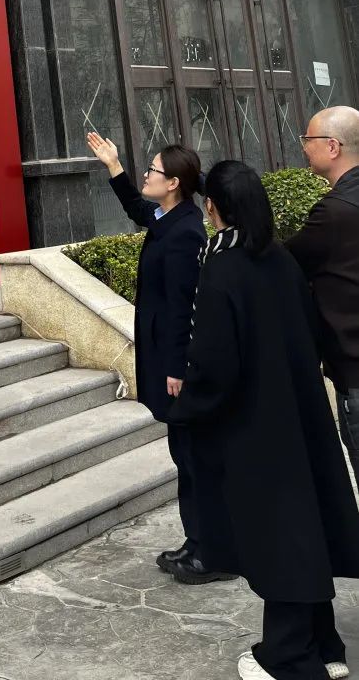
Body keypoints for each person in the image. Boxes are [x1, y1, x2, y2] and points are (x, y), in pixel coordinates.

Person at [169, 160, 359, 680]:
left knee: (279, 538)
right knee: (304, 528)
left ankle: (289, 656)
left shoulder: (223, 266)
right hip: (301, 412)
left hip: (255, 424)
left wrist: (189, 410)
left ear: (212, 207)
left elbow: (213, 360)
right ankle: (325, 645)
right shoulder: (280, 258)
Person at [86, 131, 223, 583]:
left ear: (174, 183)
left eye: (153, 170)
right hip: (166, 359)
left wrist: (178, 368)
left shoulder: (185, 231)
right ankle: (198, 541)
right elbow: (139, 211)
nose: (146, 175)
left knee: (193, 457)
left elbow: (185, 307)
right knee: (185, 455)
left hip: (176, 365)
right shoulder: (170, 217)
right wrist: (114, 166)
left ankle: (210, 551)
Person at [289, 105, 359, 489]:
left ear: (332, 147)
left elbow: (284, 263)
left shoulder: (334, 213)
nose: (304, 147)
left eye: (308, 139)